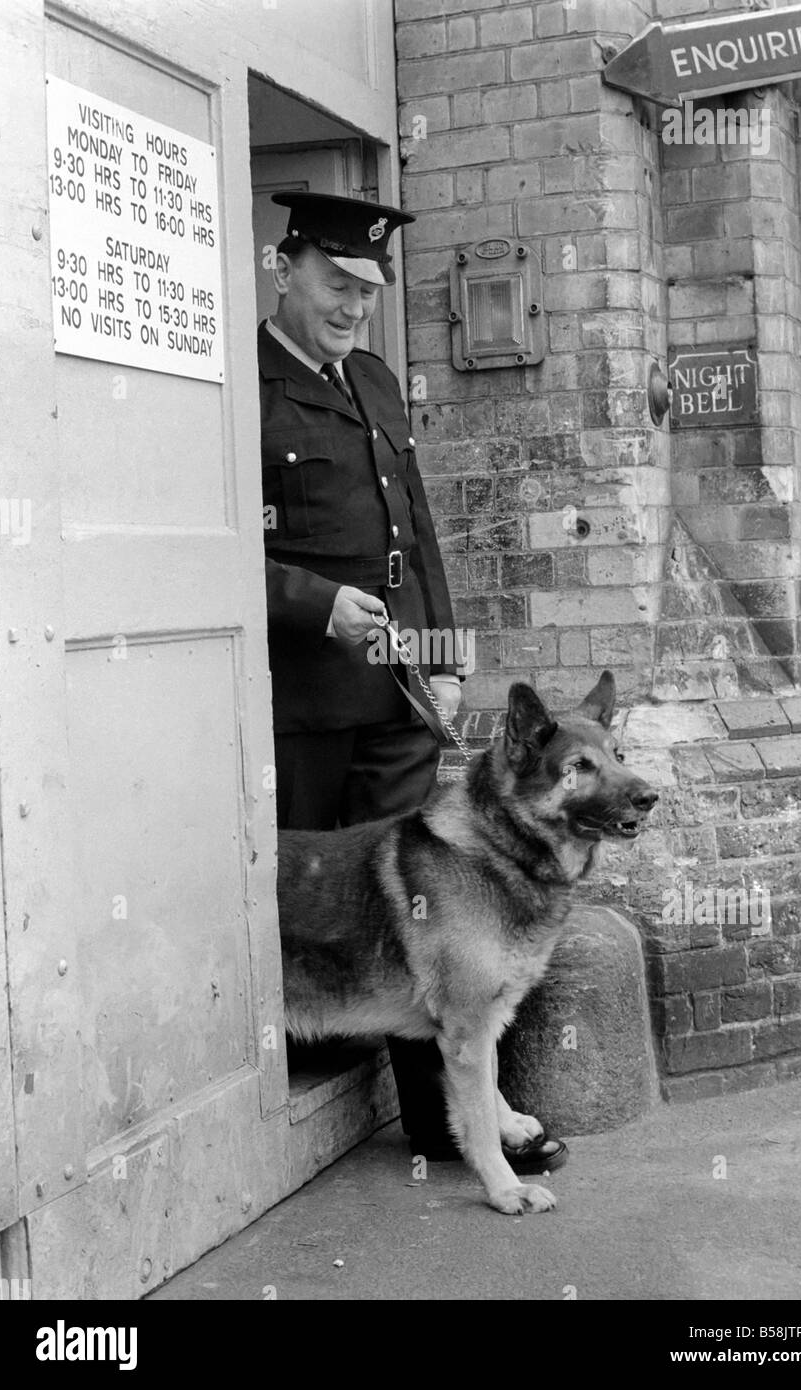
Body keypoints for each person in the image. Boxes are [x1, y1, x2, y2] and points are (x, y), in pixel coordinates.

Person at [260, 191, 565, 1172]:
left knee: (423, 904)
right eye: (337, 282)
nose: (354, 305)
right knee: (298, 900)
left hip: (394, 696)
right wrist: (313, 601)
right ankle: (280, 1086)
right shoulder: (239, 392)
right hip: (300, 703)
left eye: (368, 289)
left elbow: (414, 532)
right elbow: (202, 546)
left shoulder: (377, 380)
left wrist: (438, 654)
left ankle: (443, 1126)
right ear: (284, 264)